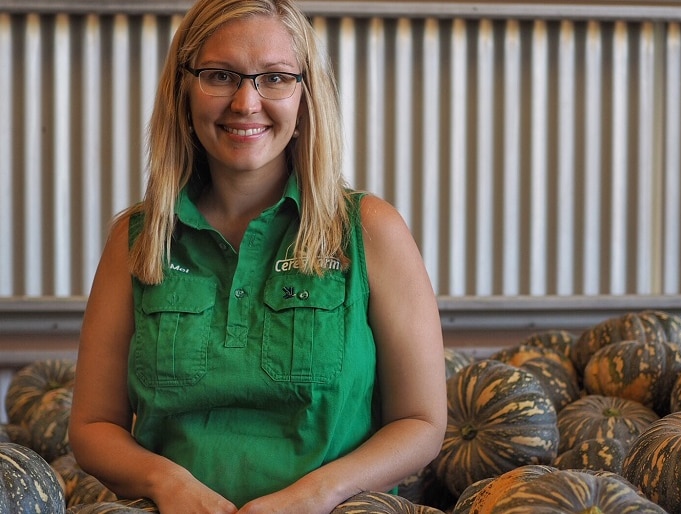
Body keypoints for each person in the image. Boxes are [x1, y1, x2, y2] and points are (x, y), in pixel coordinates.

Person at [68, 0, 447, 512]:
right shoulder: (136, 239)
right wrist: (169, 485)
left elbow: (421, 422)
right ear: (183, 90)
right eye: (220, 75)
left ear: (305, 95)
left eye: (275, 78)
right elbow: (93, 427)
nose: (246, 102)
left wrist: (315, 495)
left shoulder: (368, 230)